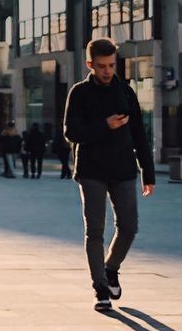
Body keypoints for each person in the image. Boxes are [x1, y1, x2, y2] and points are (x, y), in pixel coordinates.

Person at [63, 37, 155, 312]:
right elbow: (71, 132)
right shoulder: (79, 93)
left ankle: (111, 267)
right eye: (101, 66)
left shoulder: (126, 93)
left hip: (124, 169)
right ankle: (100, 288)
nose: (106, 71)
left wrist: (147, 173)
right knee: (95, 232)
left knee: (129, 227)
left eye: (111, 65)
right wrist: (105, 125)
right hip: (91, 170)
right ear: (90, 64)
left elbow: (139, 135)